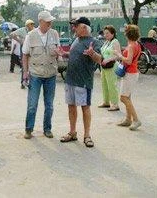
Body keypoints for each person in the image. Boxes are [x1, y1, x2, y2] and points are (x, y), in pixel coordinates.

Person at [59, 17, 102, 148]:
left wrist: (92, 53)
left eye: (76, 26)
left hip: (83, 82)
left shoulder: (94, 42)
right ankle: (72, 132)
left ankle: (87, 135)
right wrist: (64, 54)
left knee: (85, 107)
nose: (73, 28)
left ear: (84, 28)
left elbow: (100, 60)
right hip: (70, 80)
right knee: (71, 106)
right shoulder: (76, 40)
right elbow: (74, 54)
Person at [22, 11, 60, 139]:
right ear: (40, 22)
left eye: (51, 21)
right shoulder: (30, 35)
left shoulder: (54, 34)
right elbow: (25, 55)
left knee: (49, 104)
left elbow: (58, 51)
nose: (50, 23)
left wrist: (57, 53)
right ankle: (28, 129)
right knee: (32, 104)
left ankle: (47, 129)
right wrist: (25, 73)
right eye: (47, 21)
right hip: (35, 75)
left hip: (51, 74)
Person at [114, 24, 142, 131]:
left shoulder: (130, 46)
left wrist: (119, 55)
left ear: (127, 34)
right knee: (128, 97)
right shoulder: (137, 44)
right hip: (133, 72)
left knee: (123, 97)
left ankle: (135, 119)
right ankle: (128, 119)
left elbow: (129, 60)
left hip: (129, 74)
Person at [99, 25, 121, 111]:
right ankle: (106, 102)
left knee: (112, 85)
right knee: (104, 84)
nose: (105, 35)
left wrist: (108, 60)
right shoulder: (106, 42)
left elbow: (119, 55)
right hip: (104, 66)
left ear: (113, 33)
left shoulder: (115, 42)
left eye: (107, 33)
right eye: (104, 33)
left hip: (112, 66)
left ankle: (115, 104)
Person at [10, 20, 35, 88]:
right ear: (26, 25)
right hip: (23, 47)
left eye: (32, 24)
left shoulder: (35, 30)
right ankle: (23, 82)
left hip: (32, 48)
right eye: (30, 25)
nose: (32, 26)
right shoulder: (21, 30)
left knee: (32, 65)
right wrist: (20, 41)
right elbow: (12, 35)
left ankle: (31, 82)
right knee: (24, 65)